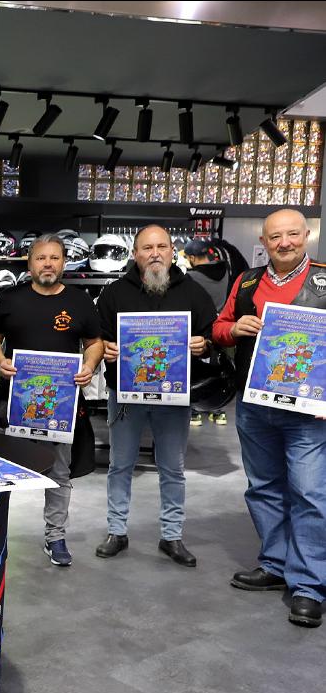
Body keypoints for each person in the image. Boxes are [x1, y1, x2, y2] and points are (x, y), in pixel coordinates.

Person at [214, 208, 326, 628]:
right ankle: (276, 563)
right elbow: (218, 329)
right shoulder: (245, 282)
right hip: (254, 404)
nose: (284, 243)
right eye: (275, 236)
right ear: (264, 241)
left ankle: (309, 586)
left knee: (310, 493)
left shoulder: (324, 280)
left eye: (292, 235)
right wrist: (233, 328)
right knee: (263, 488)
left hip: (308, 412)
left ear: (307, 235)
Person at [95, 225, 217, 568]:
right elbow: (96, 339)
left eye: (161, 246)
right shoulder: (114, 293)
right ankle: (117, 531)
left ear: (171, 250)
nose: (155, 253)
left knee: (172, 468)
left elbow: (215, 334)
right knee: (120, 465)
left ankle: (172, 535)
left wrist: (204, 344)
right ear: (136, 254)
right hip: (126, 396)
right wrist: (105, 348)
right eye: (147, 247)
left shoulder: (192, 292)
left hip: (174, 398)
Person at [0, 234, 103, 567]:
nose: (48, 264)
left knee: (59, 473)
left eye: (54, 258)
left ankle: (56, 537)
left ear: (63, 262)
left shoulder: (80, 301)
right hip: (14, 402)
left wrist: (90, 365)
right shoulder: (9, 298)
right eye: (41, 258)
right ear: (29, 263)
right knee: (0, 472)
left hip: (60, 405)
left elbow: (94, 342)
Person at [183, 239, 232, 426]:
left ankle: (195, 411)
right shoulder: (225, 271)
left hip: (200, 327)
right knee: (219, 367)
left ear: (193, 258)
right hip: (220, 325)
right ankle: (218, 411)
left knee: (199, 368)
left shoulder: (192, 277)